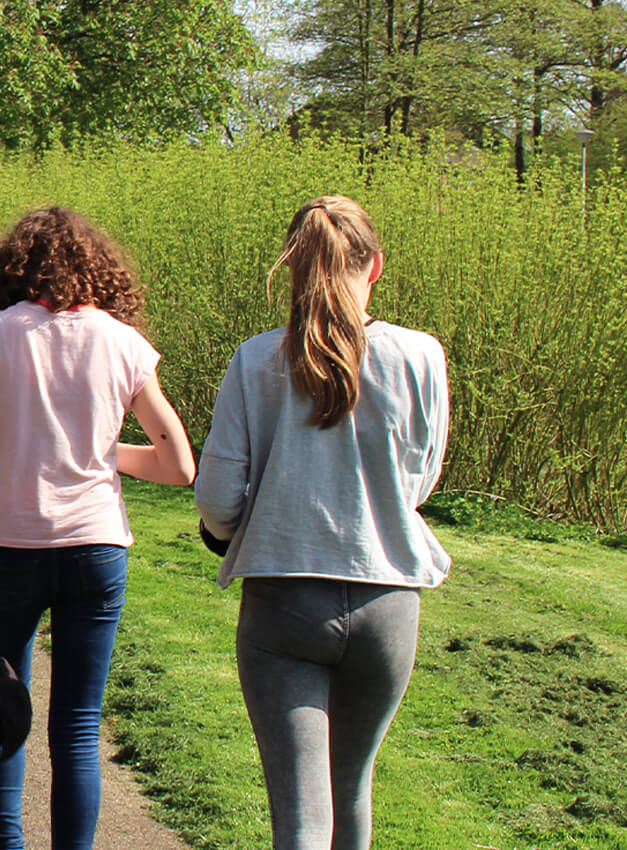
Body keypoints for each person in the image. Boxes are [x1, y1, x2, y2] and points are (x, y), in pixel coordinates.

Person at [195, 196, 449, 850]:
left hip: (284, 599)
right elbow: (418, 481)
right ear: (377, 267)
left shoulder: (256, 361)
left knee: (303, 818)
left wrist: (227, 534)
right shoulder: (422, 357)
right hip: (388, 598)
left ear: (294, 267)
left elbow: (218, 496)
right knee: (353, 788)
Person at [0, 208, 195, 850]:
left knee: (2, 699)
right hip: (96, 546)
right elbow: (178, 465)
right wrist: (96, 451)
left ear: (12, 269)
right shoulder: (123, 343)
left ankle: (7, 842)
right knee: (80, 725)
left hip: (6, 544)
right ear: (98, 271)